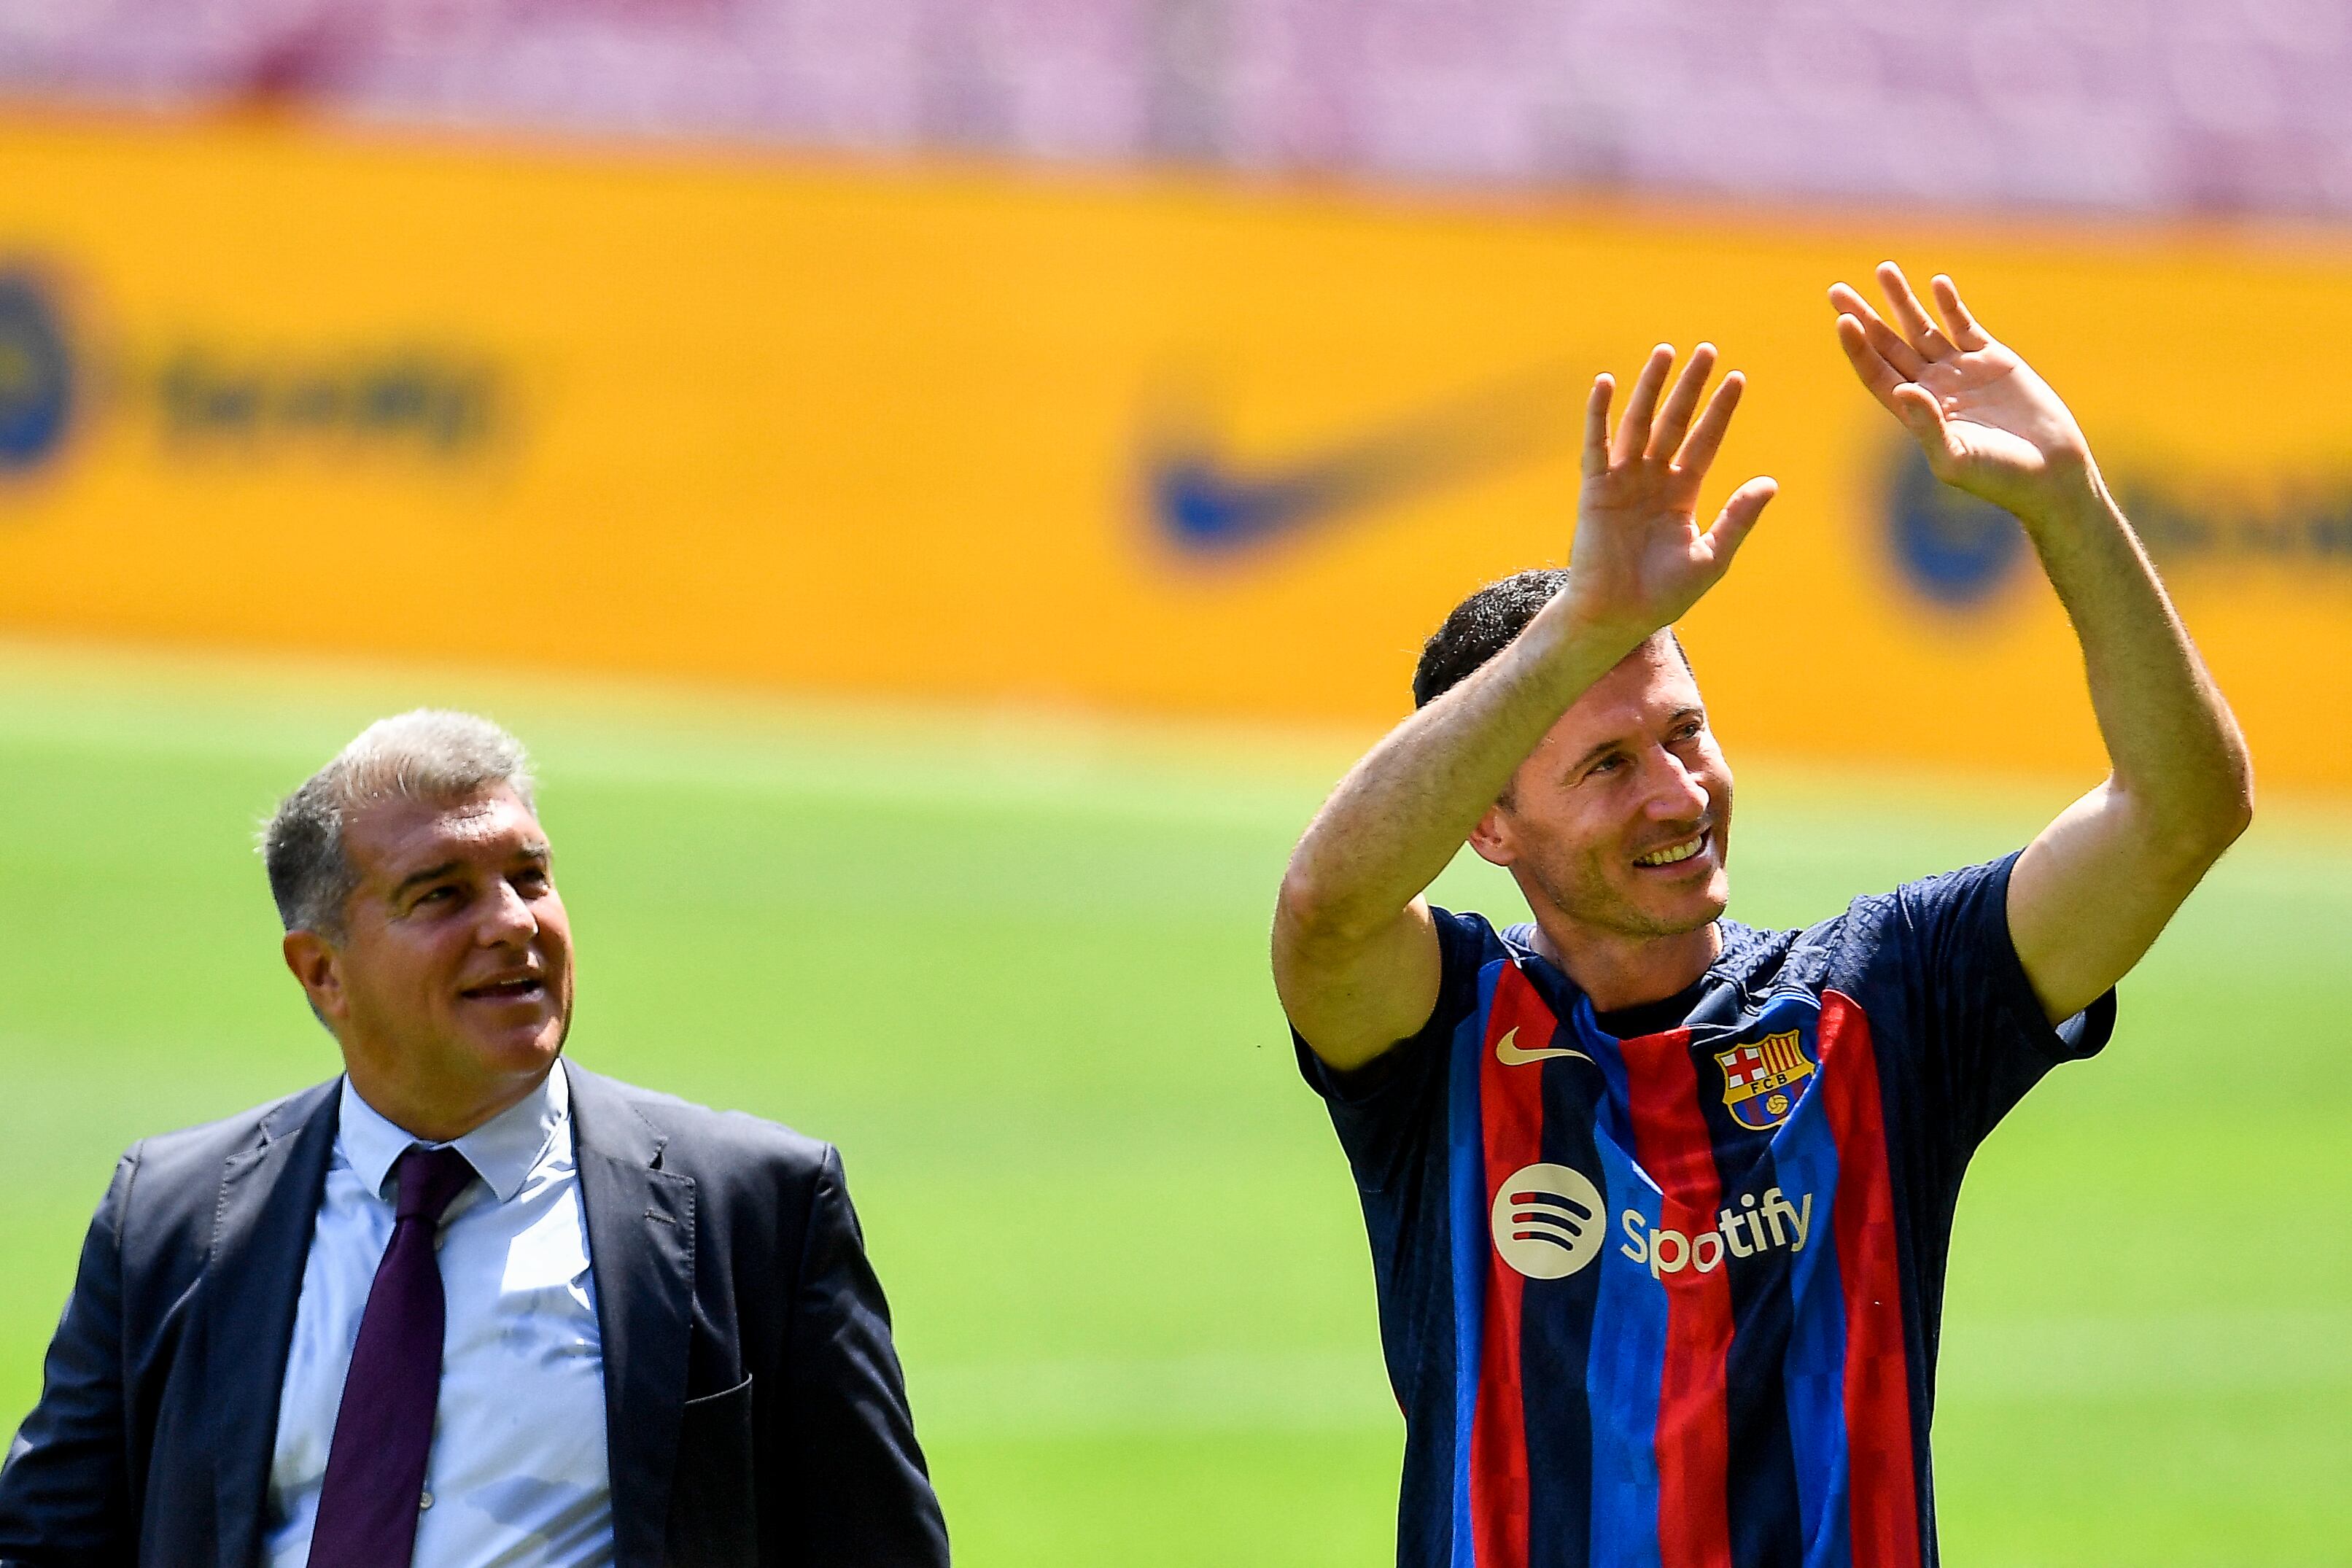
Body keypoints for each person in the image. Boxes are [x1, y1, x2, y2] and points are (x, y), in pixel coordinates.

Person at [1271, 265, 2251, 1568]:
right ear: (1487, 827)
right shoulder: (1445, 1034)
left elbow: (2180, 812)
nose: (1677, 791)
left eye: (1685, 731)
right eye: (1606, 763)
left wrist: (2066, 499)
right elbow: (1324, 912)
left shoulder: (1882, 999)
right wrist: (1585, 626)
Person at [0, 711, 949, 1567]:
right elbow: (46, 1544)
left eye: (530, 875)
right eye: (442, 893)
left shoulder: (759, 1209)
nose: (512, 923)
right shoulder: (166, 1216)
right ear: (323, 970)